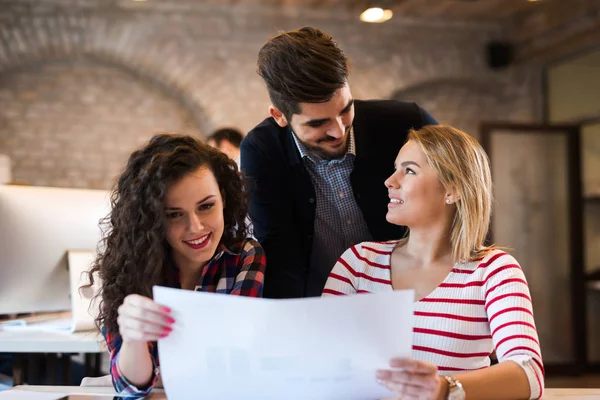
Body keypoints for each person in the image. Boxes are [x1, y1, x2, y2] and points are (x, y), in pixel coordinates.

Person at [323, 125, 544, 400]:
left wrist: (445, 389)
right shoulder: (357, 263)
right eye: (395, 168)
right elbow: (320, 361)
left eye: (410, 170)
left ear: (452, 190)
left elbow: (529, 374)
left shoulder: (495, 271)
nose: (390, 181)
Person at [241, 26, 438, 298]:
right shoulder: (262, 150)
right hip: (319, 306)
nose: (339, 131)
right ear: (280, 116)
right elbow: (277, 249)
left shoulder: (407, 122)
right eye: (318, 123)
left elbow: (464, 196)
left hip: (417, 296)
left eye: (345, 110)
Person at [86, 133, 266, 396]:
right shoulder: (127, 269)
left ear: (223, 199)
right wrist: (134, 338)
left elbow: (236, 366)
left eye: (206, 206)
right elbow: (130, 390)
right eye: (174, 214)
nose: (196, 227)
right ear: (152, 219)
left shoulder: (245, 257)